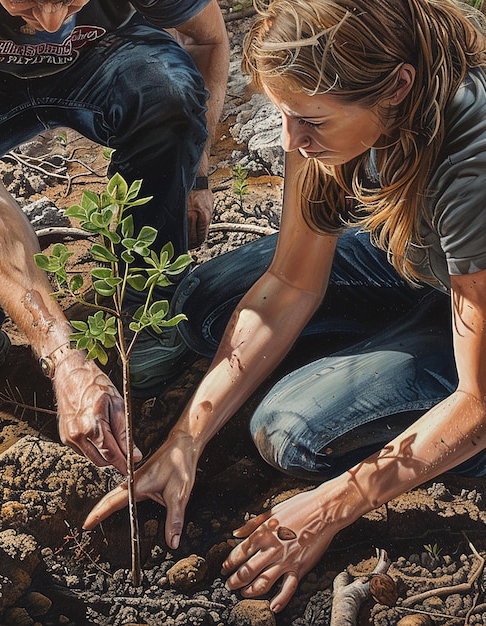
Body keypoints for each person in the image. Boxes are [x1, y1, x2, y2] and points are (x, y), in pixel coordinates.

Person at [84, 0, 486, 613]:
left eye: (311, 122)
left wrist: (333, 503)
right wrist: (186, 438)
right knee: (205, 303)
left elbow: (478, 401)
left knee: (289, 431)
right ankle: (383, 365)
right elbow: (292, 285)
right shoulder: (330, 115)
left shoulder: (472, 168)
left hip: (469, 296)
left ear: (396, 88)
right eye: (284, 115)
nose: (293, 140)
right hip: (427, 260)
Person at [0, 0, 229, 472]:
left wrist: (197, 169)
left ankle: (144, 298)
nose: (53, 23)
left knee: (170, 99)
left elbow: (207, 38)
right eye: (29, 1)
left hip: (110, 52)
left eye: (71, 0)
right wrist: (63, 355)